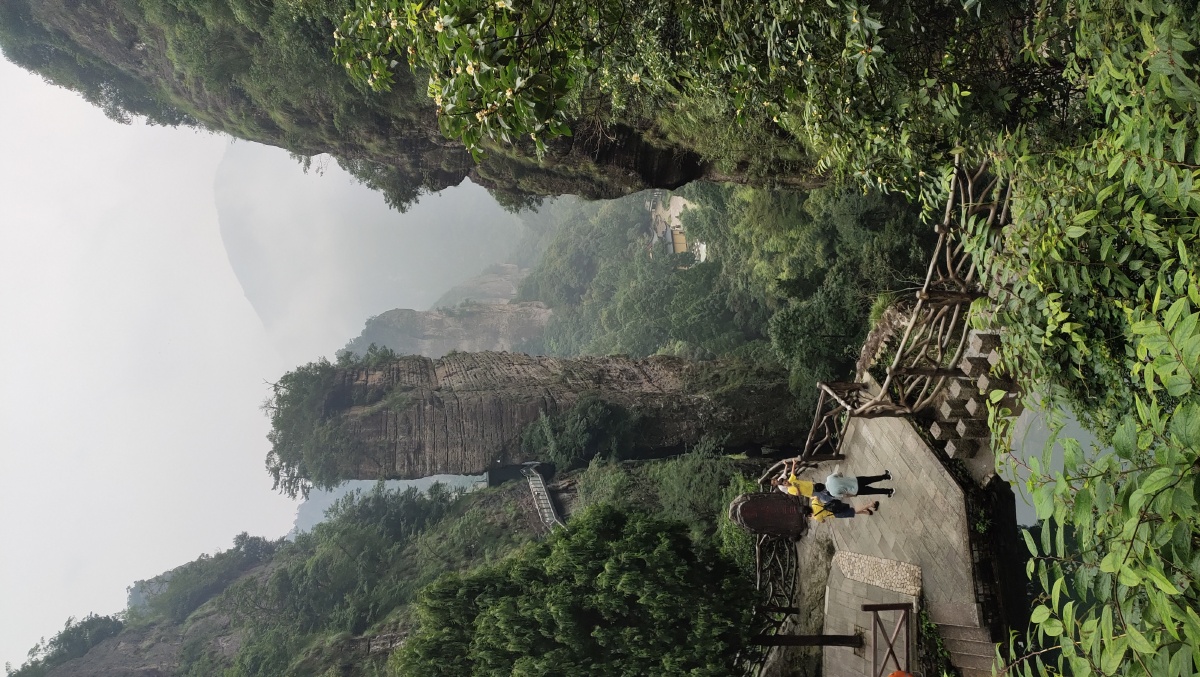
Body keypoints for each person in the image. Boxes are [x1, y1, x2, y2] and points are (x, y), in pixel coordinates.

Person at [824, 467, 894, 499]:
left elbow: (845, 495)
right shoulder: (829, 478)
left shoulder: (832, 493)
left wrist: (853, 496)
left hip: (856, 491)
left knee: (873, 491)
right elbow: (840, 473)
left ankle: (889, 491)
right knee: (872, 479)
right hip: (856, 480)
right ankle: (887, 476)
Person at [808, 496, 879, 522]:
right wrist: (812, 498)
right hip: (834, 506)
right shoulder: (813, 503)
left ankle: (870, 505)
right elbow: (816, 497)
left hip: (836, 513)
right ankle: (867, 513)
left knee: (853, 511)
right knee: (852, 511)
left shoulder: (817, 517)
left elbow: (823, 521)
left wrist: (814, 517)